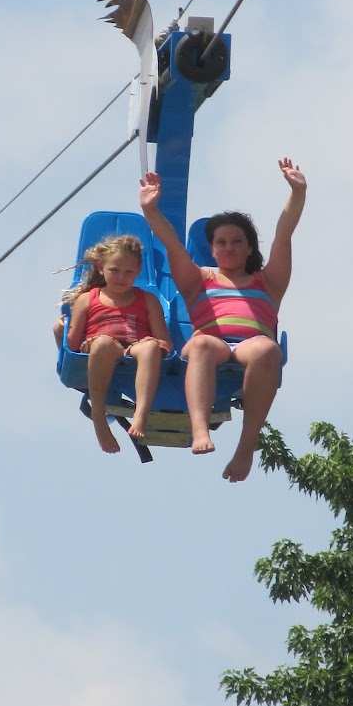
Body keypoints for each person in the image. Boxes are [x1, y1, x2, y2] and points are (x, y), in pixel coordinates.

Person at [139, 157, 306, 482]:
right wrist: (150, 209)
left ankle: (245, 448)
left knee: (266, 349)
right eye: (221, 243)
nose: (229, 248)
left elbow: (283, 236)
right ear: (212, 249)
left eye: (236, 242)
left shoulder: (267, 282)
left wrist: (297, 193)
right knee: (202, 344)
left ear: (249, 248)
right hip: (211, 343)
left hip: (250, 345)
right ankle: (200, 429)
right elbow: (171, 242)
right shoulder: (199, 279)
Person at [59, 235, 172, 454]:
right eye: (114, 270)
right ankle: (99, 418)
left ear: (138, 271)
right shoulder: (87, 299)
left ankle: (141, 415)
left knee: (150, 348)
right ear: (101, 268)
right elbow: (71, 345)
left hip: (135, 346)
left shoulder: (148, 300)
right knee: (103, 344)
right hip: (101, 346)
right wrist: (60, 330)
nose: (121, 277)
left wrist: (154, 342)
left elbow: (165, 342)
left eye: (128, 272)